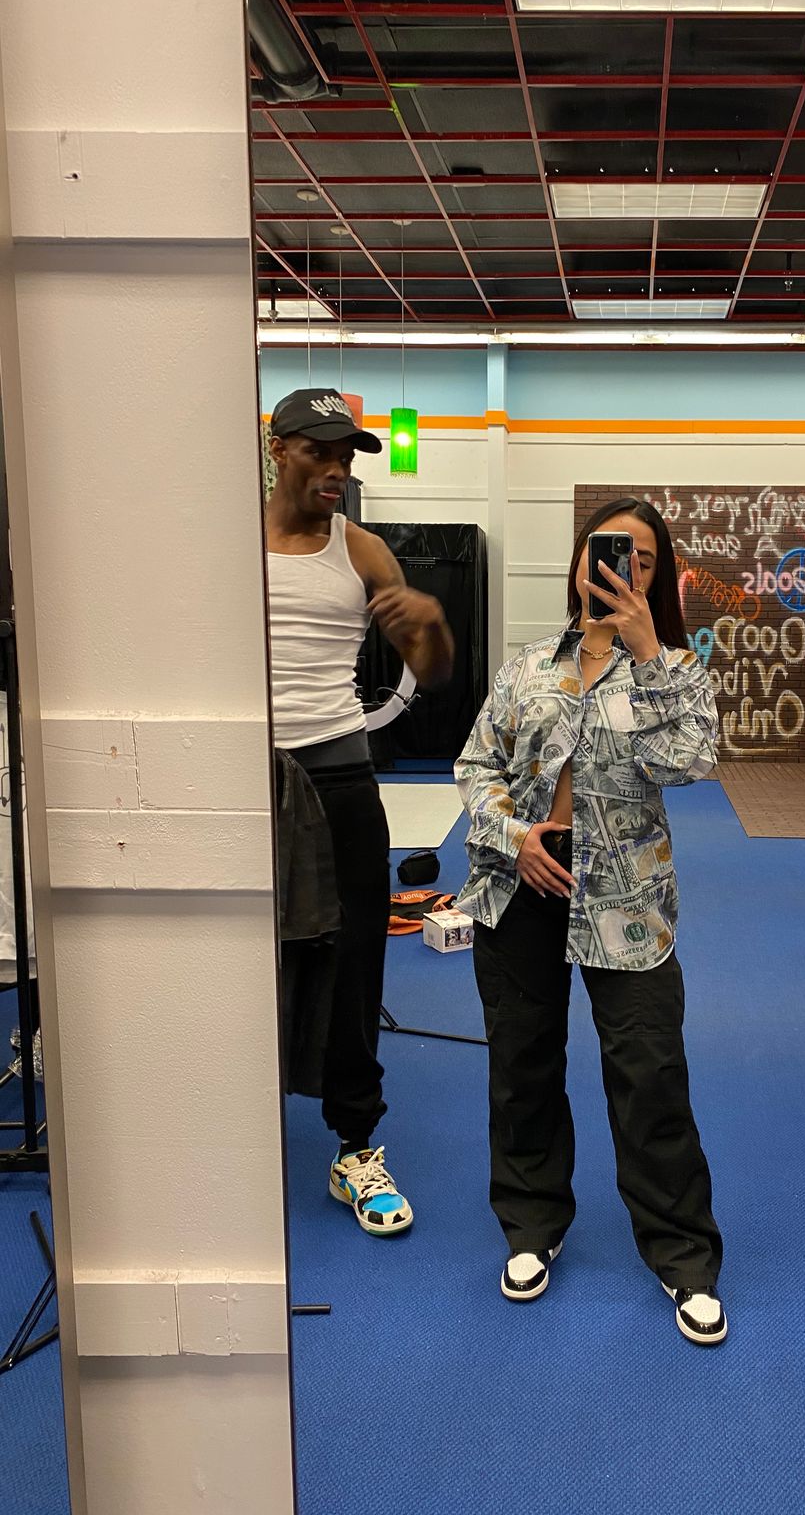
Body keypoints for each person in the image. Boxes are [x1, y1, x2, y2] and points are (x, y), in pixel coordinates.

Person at [455, 497, 726, 1345]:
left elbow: (690, 762)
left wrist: (648, 653)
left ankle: (682, 1254)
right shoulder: (526, 668)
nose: (622, 566)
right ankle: (532, 1224)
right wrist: (514, 836)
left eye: (643, 558)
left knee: (650, 1074)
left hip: (627, 898)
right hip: (523, 881)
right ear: (580, 560)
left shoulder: (674, 670)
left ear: (659, 577)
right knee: (522, 1064)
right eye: (610, 551)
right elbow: (477, 765)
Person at [265, 388, 453, 1237]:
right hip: (235, 779)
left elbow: (434, 671)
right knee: (234, 956)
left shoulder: (364, 550)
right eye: (320, 451)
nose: (336, 469)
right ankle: (218, 1125)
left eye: (347, 456)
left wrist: (431, 624)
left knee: (350, 962)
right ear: (278, 447)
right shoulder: (223, 543)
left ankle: (355, 1149)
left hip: (338, 774)